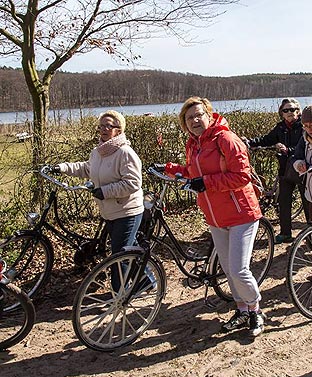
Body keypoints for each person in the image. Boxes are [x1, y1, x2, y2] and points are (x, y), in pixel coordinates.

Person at [164, 96, 265, 337]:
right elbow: (192, 172)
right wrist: (169, 169)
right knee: (229, 269)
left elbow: (242, 177)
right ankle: (242, 310)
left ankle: (256, 310)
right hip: (215, 216)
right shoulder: (194, 144)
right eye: (190, 118)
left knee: (239, 270)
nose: (195, 120)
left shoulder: (226, 140)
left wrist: (205, 183)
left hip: (242, 213)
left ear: (210, 115)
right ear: (185, 124)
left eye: (199, 115)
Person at [53, 110, 144, 262]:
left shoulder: (125, 153)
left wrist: (105, 191)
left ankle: (120, 286)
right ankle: (148, 281)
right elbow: (86, 168)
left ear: (119, 130)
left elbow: (133, 183)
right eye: (101, 126)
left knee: (118, 259)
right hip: (109, 212)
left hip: (127, 212)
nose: (104, 129)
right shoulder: (98, 152)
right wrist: (61, 167)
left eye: (109, 126)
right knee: (129, 250)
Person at [245, 98, 308, 244]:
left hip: (302, 169)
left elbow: (305, 147)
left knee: (307, 202)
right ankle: (285, 233)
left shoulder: (304, 127)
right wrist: (249, 142)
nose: (290, 112)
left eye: (293, 109)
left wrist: (287, 150)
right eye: (286, 110)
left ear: (298, 111)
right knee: (283, 202)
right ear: (282, 113)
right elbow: (266, 139)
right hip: (285, 169)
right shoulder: (280, 128)